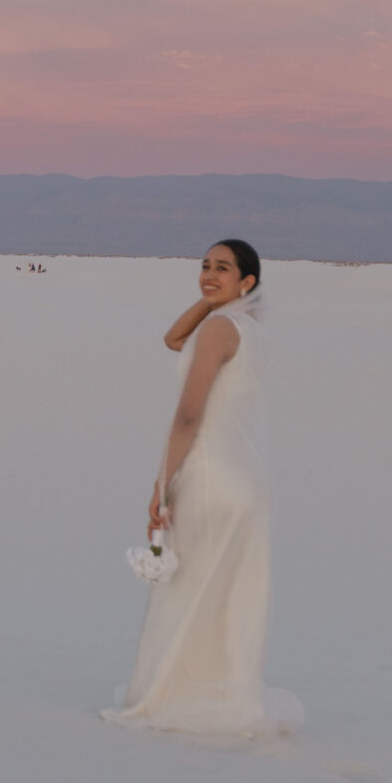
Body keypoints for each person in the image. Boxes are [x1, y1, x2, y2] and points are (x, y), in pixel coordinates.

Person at [104, 239, 280, 739]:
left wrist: (162, 484)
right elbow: (171, 338)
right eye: (204, 266)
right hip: (244, 480)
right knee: (219, 595)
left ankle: (175, 697)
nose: (208, 273)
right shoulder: (241, 328)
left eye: (223, 268)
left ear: (248, 281)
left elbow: (188, 413)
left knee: (186, 590)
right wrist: (214, 295)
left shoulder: (219, 331)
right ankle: (214, 693)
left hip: (210, 476)